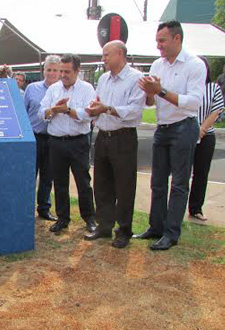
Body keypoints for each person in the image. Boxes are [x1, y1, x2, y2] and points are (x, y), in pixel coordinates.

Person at [136, 20, 206, 250]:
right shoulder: (158, 65)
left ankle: (171, 233)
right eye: (157, 41)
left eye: (162, 41)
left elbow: (193, 102)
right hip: (163, 128)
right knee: (157, 182)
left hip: (184, 128)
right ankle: (156, 227)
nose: (158, 46)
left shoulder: (195, 65)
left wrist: (161, 91)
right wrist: (148, 93)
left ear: (177, 39)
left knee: (178, 184)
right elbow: (150, 102)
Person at [83, 40, 146, 249]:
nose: (103, 59)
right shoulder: (103, 79)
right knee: (102, 185)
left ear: (120, 54)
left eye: (106, 55)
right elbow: (98, 102)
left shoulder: (136, 79)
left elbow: (134, 112)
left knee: (124, 186)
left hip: (123, 137)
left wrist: (106, 108)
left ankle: (124, 230)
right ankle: (104, 226)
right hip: (103, 136)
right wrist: (94, 109)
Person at [39, 54, 97, 233]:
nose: (63, 75)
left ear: (77, 71)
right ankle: (63, 218)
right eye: (61, 71)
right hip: (56, 142)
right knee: (59, 182)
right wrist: (54, 110)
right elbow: (42, 113)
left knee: (83, 182)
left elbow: (89, 114)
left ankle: (89, 218)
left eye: (67, 72)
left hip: (78, 141)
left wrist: (68, 110)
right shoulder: (53, 89)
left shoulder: (87, 89)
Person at [23, 55, 61, 221]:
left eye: (55, 70)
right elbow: (23, 113)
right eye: (49, 69)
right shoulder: (32, 88)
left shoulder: (63, 90)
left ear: (60, 72)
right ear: (43, 70)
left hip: (52, 138)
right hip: (34, 137)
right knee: (30, 174)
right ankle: (25, 208)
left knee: (48, 175)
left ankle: (44, 208)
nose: (51, 73)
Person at [188, 56, 224, 222]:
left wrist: (201, 129)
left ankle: (196, 208)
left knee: (201, 173)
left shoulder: (213, 88)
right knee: (181, 173)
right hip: (186, 133)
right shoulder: (187, 87)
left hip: (206, 135)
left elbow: (216, 111)